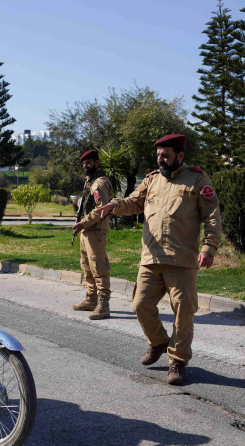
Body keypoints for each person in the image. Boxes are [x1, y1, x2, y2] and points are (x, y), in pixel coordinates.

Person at [96, 134, 221, 385]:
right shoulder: (152, 179)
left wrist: (209, 247)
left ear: (180, 156)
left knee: (183, 311)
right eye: (158, 155)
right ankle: (159, 342)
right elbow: (134, 202)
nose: (160, 159)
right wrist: (116, 204)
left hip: (181, 260)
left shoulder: (197, 179)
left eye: (166, 155)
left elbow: (212, 214)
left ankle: (178, 361)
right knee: (140, 305)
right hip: (151, 258)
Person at [70, 150, 115, 319]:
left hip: (96, 231)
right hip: (87, 230)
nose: (85, 166)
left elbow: (101, 209)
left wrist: (83, 223)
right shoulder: (90, 181)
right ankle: (91, 299)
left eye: (88, 163)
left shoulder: (100, 183)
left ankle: (103, 305)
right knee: (87, 267)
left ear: (97, 163)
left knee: (99, 268)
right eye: (84, 163)